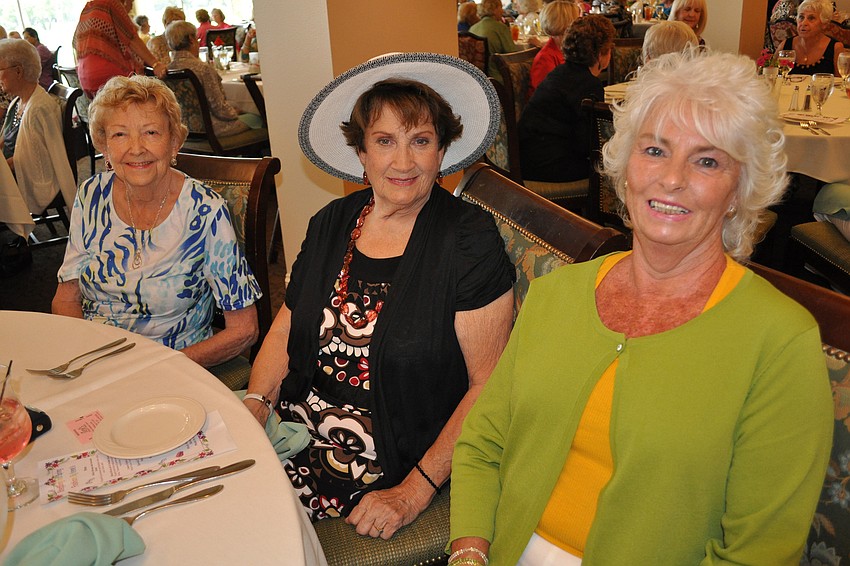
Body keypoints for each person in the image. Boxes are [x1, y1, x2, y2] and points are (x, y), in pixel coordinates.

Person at [449, 48, 833, 565]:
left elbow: (759, 550)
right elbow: (482, 444)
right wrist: (469, 552)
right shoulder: (558, 294)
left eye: (707, 160)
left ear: (740, 190)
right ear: (624, 166)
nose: (672, 178)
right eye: (654, 150)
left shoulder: (779, 340)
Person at [244, 52, 514, 537]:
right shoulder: (332, 222)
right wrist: (257, 402)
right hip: (293, 432)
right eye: (385, 141)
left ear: (442, 152)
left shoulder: (468, 239)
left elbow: (490, 384)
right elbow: (288, 321)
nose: (403, 161)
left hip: (387, 459)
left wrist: (415, 490)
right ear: (362, 153)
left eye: (421, 141)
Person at [53, 75, 261, 369]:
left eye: (151, 132)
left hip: (174, 366)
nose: (136, 148)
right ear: (104, 147)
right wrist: (87, 359)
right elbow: (66, 298)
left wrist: (158, 366)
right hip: (97, 360)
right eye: (120, 135)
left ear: (174, 142)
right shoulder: (91, 195)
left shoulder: (205, 212)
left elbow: (244, 330)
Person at [518, 15, 615, 183]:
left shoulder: (559, 73)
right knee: (614, 169)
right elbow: (586, 144)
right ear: (600, 54)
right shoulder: (589, 85)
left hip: (527, 159)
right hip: (548, 168)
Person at [0, 39, 76, 219]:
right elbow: (5, 138)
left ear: (18, 71)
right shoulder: (18, 102)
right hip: (13, 172)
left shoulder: (39, 108)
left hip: (35, 181)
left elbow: (34, 159)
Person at [165, 20, 258, 138]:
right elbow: (219, 109)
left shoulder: (167, 70)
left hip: (185, 132)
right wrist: (237, 111)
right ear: (191, 39)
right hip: (214, 129)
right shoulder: (203, 69)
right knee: (258, 117)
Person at [73, 0, 167, 98]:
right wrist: (155, 64)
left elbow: (75, 43)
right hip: (110, 81)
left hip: (86, 80)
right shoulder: (111, 4)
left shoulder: (88, 8)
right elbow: (131, 38)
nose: (131, 5)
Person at [529, 0, 581, 97]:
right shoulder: (545, 58)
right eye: (577, 19)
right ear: (565, 23)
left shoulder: (568, 50)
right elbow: (545, 97)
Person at [782, 0, 845, 76]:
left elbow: (840, 84)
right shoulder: (785, 45)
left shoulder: (836, 48)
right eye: (801, 17)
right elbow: (771, 76)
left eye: (811, 18)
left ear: (824, 24)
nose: (804, 23)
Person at [470, 0, 520, 83]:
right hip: (497, 77)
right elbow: (512, 55)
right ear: (494, 9)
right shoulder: (501, 28)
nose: (503, 10)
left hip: (477, 78)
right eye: (500, 7)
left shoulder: (472, 28)